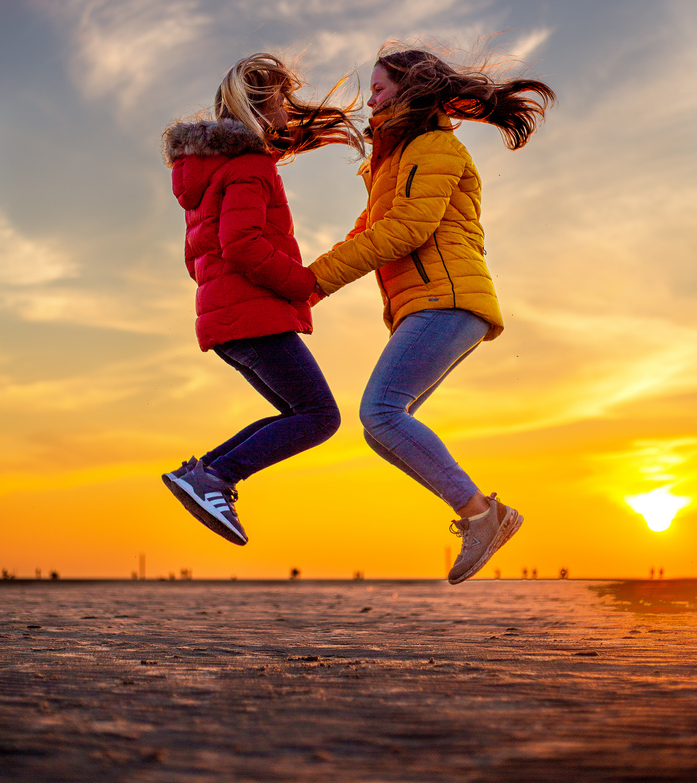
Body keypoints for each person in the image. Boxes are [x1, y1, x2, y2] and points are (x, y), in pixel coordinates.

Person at [308, 43, 555, 584]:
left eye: (378, 88)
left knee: (380, 412)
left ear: (410, 89)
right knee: (382, 426)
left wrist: (315, 283)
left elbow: (405, 231)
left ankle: (484, 516)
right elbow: (368, 229)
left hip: (447, 300)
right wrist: (302, 282)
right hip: (428, 305)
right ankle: (484, 516)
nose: (368, 99)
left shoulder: (433, 147)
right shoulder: (393, 160)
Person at [162, 53, 363, 545]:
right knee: (320, 417)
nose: (289, 111)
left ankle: (205, 473)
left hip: (227, 320)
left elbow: (197, 259)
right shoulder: (250, 165)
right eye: (282, 100)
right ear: (259, 107)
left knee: (298, 413)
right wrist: (302, 285)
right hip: (255, 319)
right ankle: (215, 478)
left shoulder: (207, 170)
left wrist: (226, 297)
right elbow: (243, 243)